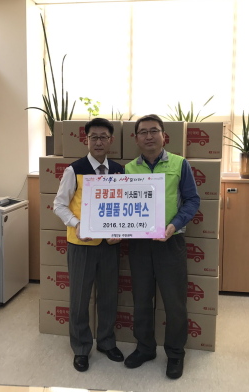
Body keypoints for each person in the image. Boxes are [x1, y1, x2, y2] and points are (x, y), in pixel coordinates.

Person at [124, 114, 200, 379]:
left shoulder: (180, 164)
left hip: (171, 241)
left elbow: (192, 200)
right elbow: (122, 206)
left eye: (153, 131)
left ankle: (176, 354)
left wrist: (174, 224)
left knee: (174, 302)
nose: (149, 136)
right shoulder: (129, 169)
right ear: (136, 139)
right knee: (142, 299)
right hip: (139, 244)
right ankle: (145, 348)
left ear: (164, 136)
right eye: (143, 132)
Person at [53, 117, 125, 372]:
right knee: (80, 298)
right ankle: (81, 348)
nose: (98, 141)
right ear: (86, 140)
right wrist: (77, 224)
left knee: (108, 296)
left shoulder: (118, 171)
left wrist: (121, 231)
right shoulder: (74, 170)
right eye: (94, 137)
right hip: (81, 244)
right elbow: (59, 205)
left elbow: (123, 207)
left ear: (111, 140)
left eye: (103, 137)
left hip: (110, 245)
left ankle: (106, 342)